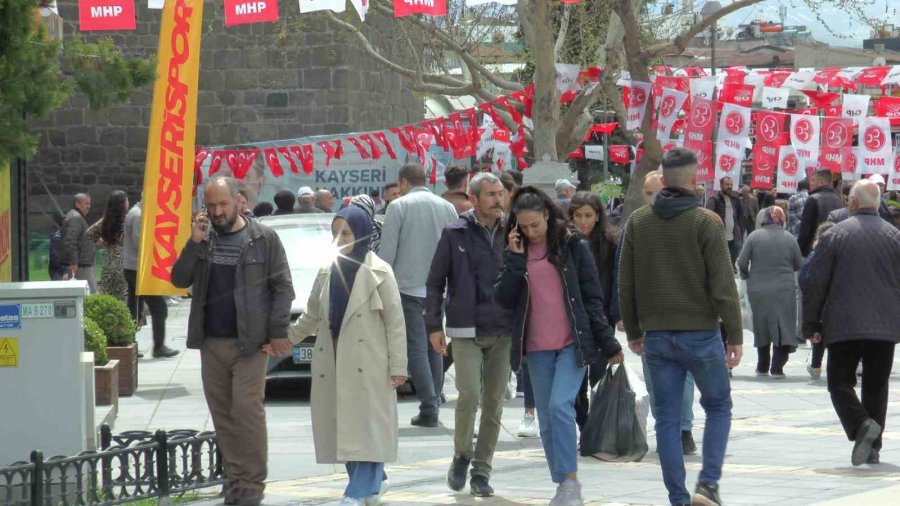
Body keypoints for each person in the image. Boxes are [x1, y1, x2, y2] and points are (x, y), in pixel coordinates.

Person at [620, 148, 742, 506]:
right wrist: (734, 333)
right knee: (718, 405)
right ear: (692, 181)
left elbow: (625, 285)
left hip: (657, 336)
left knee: (667, 420)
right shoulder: (706, 222)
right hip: (702, 333)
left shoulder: (638, 223)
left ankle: (678, 498)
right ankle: (708, 483)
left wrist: (633, 332)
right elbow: (723, 285)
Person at [494, 186, 623, 506]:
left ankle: (570, 481)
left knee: (559, 407)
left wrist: (607, 342)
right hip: (536, 347)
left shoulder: (573, 245)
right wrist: (514, 259)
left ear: (548, 215)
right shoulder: (516, 249)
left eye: (535, 225)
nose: (530, 231)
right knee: (548, 422)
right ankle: (563, 483)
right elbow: (503, 298)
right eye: (523, 226)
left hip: (572, 344)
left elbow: (592, 297)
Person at [171, 177, 294, 506]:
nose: (216, 211)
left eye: (222, 204)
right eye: (210, 206)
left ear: (238, 201)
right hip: (212, 341)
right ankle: (235, 479)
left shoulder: (263, 238)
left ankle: (252, 484)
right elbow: (178, 279)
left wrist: (278, 331)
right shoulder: (203, 240)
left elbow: (283, 287)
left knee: (246, 410)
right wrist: (193, 242)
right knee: (222, 413)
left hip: (250, 343)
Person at [286, 207, 407, 506]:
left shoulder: (380, 271)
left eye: (347, 233)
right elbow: (311, 315)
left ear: (362, 234)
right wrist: (282, 340)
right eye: (336, 233)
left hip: (370, 363)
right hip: (334, 361)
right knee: (345, 429)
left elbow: (395, 323)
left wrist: (399, 366)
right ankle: (372, 483)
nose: (340, 239)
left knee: (367, 428)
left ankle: (355, 493)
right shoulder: (328, 270)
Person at [426, 173, 513, 498]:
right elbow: (435, 282)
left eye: (500, 193)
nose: (497, 200)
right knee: (469, 395)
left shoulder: (513, 232)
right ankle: (462, 453)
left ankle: (481, 471)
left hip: (503, 329)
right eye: (490, 194)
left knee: (494, 404)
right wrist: (434, 325)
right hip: (465, 328)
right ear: (473, 199)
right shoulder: (455, 232)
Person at [802, 179, 900, 466]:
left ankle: (861, 425)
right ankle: (873, 448)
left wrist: (811, 324)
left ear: (853, 203)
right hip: (885, 327)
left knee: (840, 383)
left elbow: (816, 282)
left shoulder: (835, 235)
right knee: (876, 385)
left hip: (844, 325)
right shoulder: (895, 236)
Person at [612, 170, 697, 456]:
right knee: (655, 375)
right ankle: (667, 426)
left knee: (685, 374)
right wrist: (624, 313)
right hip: (650, 316)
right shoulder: (635, 226)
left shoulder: (693, 222)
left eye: (656, 192)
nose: (652, 199)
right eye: (647, 193)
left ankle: (683, 428)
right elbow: (623, 276)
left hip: (688, 314)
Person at [379, 164, 458, 427]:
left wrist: (380, 284)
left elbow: (387, 252)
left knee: (416, 347)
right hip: (440, 287)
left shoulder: (398, 207)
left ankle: (429, 405)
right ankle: (434, 397)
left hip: (408, 286)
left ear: (403, 183)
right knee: (435, 345)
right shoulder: (445, 206)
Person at [568, 192, 618, 431]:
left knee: (599, 374)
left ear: (598, 216)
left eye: (588, 215)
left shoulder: (610, 243)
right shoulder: (565, 242)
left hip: (601, 319)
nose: (583, 221)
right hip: (573, 320)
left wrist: (617, 315)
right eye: (577, 215)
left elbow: (616, 281)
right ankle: (584, 423)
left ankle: (596, 427)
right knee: (575, 379)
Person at [737, 207, 803, 379]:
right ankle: (777, 367)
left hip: (758, 289)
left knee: (762, 327)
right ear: (782, 219)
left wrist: (746, 276)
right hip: (784, 289)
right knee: (783, 326)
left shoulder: (753, 237)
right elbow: (798, 264)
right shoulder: (790, 238)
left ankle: (762, 365)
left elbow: (742, 262)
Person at [123, 198, 178, 359]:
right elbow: (139, 243)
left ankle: (129, 343)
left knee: (134, 308)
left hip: (134, 267)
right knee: (159, 308)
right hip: (139, 269)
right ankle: (159, 346)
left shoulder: (135, 213)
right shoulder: (138, 216)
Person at [798, 221, 834, 380]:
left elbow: (803, 277)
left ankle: (816, 366)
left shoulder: (815, 254)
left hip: (820, 303)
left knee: (819, 335)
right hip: (835, 304)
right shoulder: (841, 254)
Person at [798, 169, 843, 256]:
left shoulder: (813, 199)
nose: (810, 183)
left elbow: (805, 231)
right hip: (835, 250)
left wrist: (801, 251)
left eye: (813, 180)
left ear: (821, 182)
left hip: (815, 250)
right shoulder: (839, 200)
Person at [60, 193, 97, 293]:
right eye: (86, 204)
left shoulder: (75, 217)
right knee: (90, 293)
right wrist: (73, 262)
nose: (88, 206)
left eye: (89, 204)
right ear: (77, 204)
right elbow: (70, 242)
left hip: (82, 264)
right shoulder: (75, 218)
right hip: (80, 266)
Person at [705, 176, 743, 266]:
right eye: (727, 184)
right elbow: (708, 215)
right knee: (721, 256)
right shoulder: (714, 199)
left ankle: (732, 266)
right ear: (721, 185)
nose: (729, 186)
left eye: (731, 184)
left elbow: (740, 214)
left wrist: (738, 227)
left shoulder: (735, 199)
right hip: (720, 233)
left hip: (733, 233)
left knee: (735, 250)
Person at [48, 214, 67, 281]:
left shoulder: (66, 236)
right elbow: (56, 257)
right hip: (58, 272)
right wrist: (64, 271)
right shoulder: (57, 238)